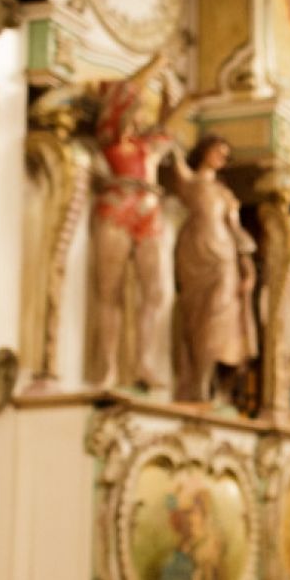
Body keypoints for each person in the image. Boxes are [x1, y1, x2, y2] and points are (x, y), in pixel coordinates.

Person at [88, 53, 189, 389]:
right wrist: (158, 64)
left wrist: (173, 89)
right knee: (110, 291)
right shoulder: (112, 136)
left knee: (157, 291)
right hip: (118, 205)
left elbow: (174, 120)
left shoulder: (149, 146)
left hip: (150, 209)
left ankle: (145, 361)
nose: (142, 110)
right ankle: (108, 369)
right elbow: (125, 92)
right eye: (138, 105)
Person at [169, 134, 259, 404]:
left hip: (223, 257)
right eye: (217, 150)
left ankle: (206, 383)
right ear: (204, 151)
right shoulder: (189, 180)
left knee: (219, 317)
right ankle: (193, 378)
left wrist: (248, 269)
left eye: (225, 154)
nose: (221, 157)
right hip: (193, 252)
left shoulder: (224, 194)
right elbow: (171, 142)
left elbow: (237, 232)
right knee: (193, 316)